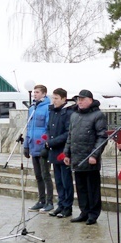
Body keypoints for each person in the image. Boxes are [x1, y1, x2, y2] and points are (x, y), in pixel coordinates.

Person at [63, 89, 107, 225]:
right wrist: (67, 153)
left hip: (90, 158)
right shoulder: (74, 115)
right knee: (81, 187)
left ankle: (93, 214)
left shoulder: (98, 115)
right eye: (78, 100)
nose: (80, 102)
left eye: (82, 99)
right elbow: (70, 135)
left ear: (90, 100)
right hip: (77, 157)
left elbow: (102, 137)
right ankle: (84, 212)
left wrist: (95, 155)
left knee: (92, 188)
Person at [23, 84, 53, 212]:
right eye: (34, 92)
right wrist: (26, 145)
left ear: (44, 94)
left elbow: (48, 128)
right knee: (38, 176)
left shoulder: (47, 108)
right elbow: (28, 128)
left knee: (46, 175)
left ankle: (49, 202)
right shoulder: (32, 109)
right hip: (33, 146)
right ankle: (41, 200)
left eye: (37, 92)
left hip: (42, 147)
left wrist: (45, 145)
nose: (34, 94)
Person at [45, 88, 74, 218]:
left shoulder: (68, 112)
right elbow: (48, 128)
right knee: (58, 181)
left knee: (66, 180)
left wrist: (52, 142)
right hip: (53, 151)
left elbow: (68, 133)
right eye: (53, 98)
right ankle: (61, 205)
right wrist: (47, 139)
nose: (54, 101)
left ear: (63, 99)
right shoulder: (52, 111)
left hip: (63, 151)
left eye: (56, 98)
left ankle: (67, 207)